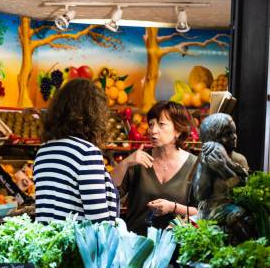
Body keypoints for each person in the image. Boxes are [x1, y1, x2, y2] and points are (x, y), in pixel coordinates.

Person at [33, 78, 118, 223]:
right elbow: (99, 223)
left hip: (47, 243)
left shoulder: (43, 151)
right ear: (94, 114)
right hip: (74, 245)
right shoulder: (86, 153)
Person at [111, 101, 198, 235]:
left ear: (178, 130)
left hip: (177, 248)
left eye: (161, 124)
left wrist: (172, 207)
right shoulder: (138, 161)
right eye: (151, 124)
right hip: (136, 246)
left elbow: (202, 212)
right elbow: (108, 191)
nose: (153, 130)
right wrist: (125, 163)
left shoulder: (194, 165)